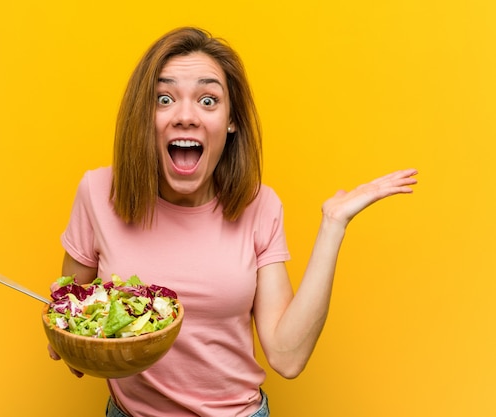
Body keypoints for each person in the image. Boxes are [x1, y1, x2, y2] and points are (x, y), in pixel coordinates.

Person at [48, 26, 418, 417]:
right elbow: (69, 313)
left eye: (208, 100)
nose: (187, 116)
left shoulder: (260, 206)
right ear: (144, 115)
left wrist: (333, 225)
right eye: (165, 98)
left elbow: (287, 356)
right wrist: (71, 342)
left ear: (231, 121)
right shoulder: (97, 192)